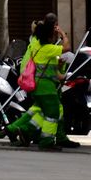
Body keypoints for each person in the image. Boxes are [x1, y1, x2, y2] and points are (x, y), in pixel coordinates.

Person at [6, 19, 75, 150]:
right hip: (46, 88)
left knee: (42, 112)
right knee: (53, 114)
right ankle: (46, 141)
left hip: (37, 87)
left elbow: (54, 72)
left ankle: (24, 131)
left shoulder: (37, 48)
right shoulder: (48, 49)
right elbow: (67, 47)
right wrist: (63, 35)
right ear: (49, 36)